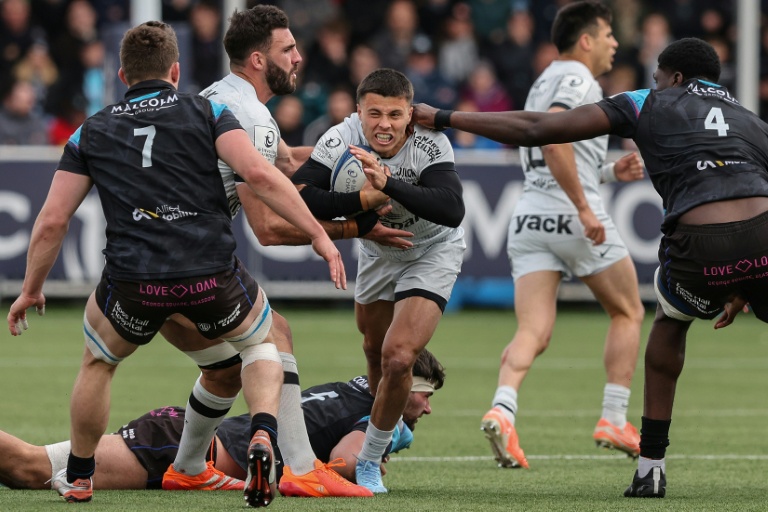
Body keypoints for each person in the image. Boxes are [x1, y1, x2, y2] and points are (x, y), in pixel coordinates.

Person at [5, 20, 345, 508]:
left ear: (122, 75)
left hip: (134, 282)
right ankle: (264, 434)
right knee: (263, 341)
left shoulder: (92, 130)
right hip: (210, 277)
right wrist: (319, 236)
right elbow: (257, 174)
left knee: (98, 362)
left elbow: (52, 220)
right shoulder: (209, 110)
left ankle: (80, 476)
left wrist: (31, 288)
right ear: (176, 70)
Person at [413, 37, 767, 498]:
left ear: (674, 78)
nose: (655, 83)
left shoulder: (646, 101)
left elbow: (539, 128)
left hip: (698, 245)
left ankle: (650, 468)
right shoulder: (751, 120)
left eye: (659, 76)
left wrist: (442, 116)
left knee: (670, 322)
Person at [158, 5, 409, 500]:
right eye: (287, 49)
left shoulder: (229, 100)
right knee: (274, 335)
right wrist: (356, 226)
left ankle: (187, 467)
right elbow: (269, 228)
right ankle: (297, 467)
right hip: (190, 256)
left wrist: (349, 144)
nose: (298, 57)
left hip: (157, 251)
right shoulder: (249, 116)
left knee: (226, 367)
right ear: (258, 59)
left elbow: (284, 161)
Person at [462, 1, 647, 470]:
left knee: (532, 331)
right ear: (585, 40)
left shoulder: (541, 79)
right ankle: (613, 417)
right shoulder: (577, 80)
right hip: (572, 217)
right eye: (607, 34)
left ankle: (502, 408)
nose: (614, 44)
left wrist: (606, 172)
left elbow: (553, 153)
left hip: (529, 217)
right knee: (628, 310)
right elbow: (554, 141)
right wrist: (585, 205)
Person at [291, 68, 465, 493]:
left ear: (409, 115)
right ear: (358, 112)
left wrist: (388, 183)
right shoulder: (341, 136)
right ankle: (384, 432)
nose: (383, 124)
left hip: (432, 249)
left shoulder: (431, 143)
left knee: (399, 355)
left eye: (393, 114)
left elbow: (452, 208)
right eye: (374, 114)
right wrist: (362, 208)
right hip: (378, 251)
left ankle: (369, 458)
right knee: (372, 350)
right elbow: (300, 194)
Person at [0, 348, 444, 491]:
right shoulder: (369, 417)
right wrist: (372, 456)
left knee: (28, 466)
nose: (426, 409)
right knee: (28, 466)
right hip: (177, 447)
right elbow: (343, 461)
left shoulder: (349, 391)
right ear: (400, 385)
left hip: (182, 435)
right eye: (422, 396)